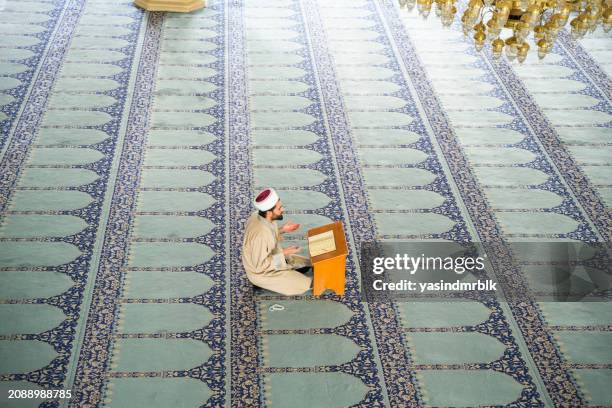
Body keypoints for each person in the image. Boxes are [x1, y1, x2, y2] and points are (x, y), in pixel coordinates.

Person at [241, 188, 312, 295]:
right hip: (261, 273)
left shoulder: (258, 215)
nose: (282, 209)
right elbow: (260, 266)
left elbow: (269, 236)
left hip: (270, 255)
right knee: (306, 284)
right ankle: (262, 283)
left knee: (307, 263)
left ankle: (287, 267)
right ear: (269, 212)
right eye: (279, 208)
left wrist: (283, 229)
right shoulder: (261, 234)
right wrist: (284, 253)